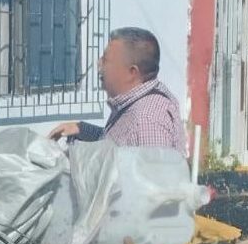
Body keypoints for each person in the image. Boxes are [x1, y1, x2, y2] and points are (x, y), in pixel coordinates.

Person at [49, 27, 186, 154]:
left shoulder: (147, 120)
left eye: (106, 60)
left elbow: (152, 179)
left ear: (132, 72)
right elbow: (117, 143)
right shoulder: (134, 103)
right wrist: (81, 129)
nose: (99, 64)